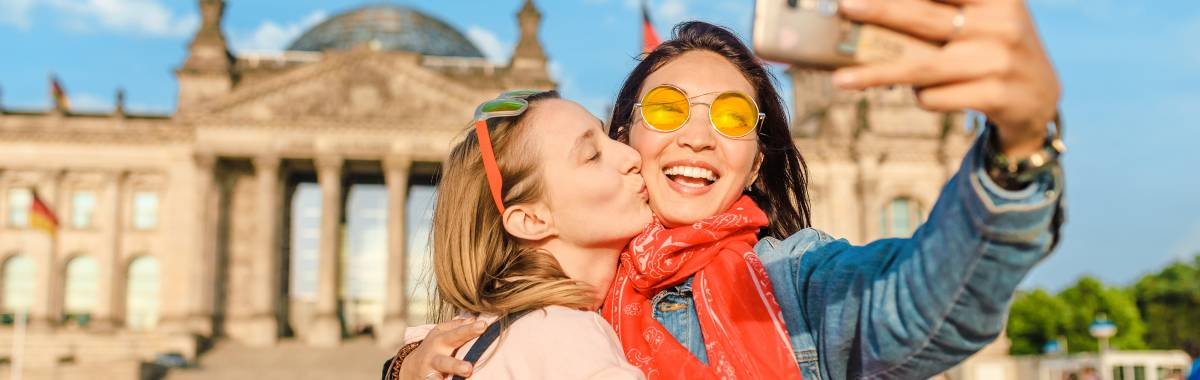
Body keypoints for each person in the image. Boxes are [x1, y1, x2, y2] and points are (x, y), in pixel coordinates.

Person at [396, 0, 1065, 377]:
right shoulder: (532, 306)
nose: (697, 135)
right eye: (664, 110)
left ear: (754, 162)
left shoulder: (797, 283)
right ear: (626, 138)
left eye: (732, 116)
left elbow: (927, 304)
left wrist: (1020, 148)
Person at [382, 91, 647, 380]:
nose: (633, 156)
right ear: (531, 219)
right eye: (592, 155)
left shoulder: (465, 344)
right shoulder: (567, 339)